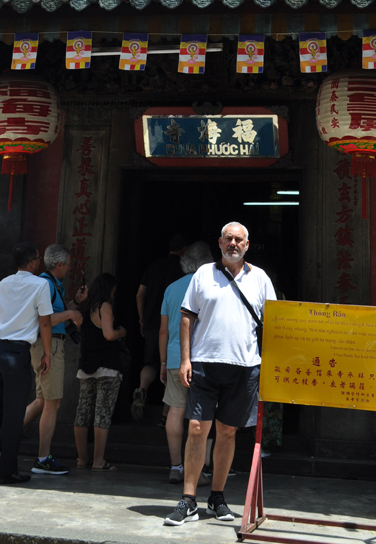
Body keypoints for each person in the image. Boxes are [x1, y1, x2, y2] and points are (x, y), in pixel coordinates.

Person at [164, 222, 276, 526]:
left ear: (247, 245)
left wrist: (271, 365)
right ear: (220, 242)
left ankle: (217, 496)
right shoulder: (204, 274)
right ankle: (188, 499)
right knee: (197, 429)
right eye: (229, 239)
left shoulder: (261, 279)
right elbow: (186, 317)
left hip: (245, 366)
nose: (234, 244)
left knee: (228, 432)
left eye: (239, 240)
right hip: (204, 363)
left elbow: (276, 324)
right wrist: (185, 359)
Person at [0, 242, 52, 485]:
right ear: (33, 263)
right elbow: (45, 323)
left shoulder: (3, 283)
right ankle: (6, 471)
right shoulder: (41, 284)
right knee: (14, 415)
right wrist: (47, 353)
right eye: (38, 258)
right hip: (17, 353)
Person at [22, 244, 85, 476]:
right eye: (68, 264)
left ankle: (4, 438)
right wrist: (70, 314)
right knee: (52, 402)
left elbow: (53, 314)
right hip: (49, 345)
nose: (69, 269)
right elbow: (44, 319)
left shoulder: (50, 284)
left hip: (48, 344)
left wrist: (74, 303)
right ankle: (42, 458)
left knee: (42, 400)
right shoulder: (46, 284)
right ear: (59, 264)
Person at [159, 241, 215, 485]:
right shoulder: (212, 288)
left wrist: (163, 361)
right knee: (204, 413)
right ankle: (202, 469)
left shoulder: (171, 288)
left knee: (175, 409)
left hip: (174, 357)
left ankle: (176, 466)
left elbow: (163, 330)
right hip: (203, 358)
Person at [132, 233, 188, 421]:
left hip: (151, 324)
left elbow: (140, 295)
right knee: (170, 368)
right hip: (172, 324)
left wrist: (142, 320)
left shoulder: (153, 266)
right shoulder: (182, 270)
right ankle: (165, 415)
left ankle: (141, 389)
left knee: (151, 363)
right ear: (184, 249)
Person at [73, 273, 127, 471]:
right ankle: (98, 461)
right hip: (107, 366)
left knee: (83, 413)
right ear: (109, 289)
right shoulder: (104, 306)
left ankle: (81, 458)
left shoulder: (85, 307)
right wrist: (122, 332)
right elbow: (108, 334)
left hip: (86, 365)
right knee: (102, 414)